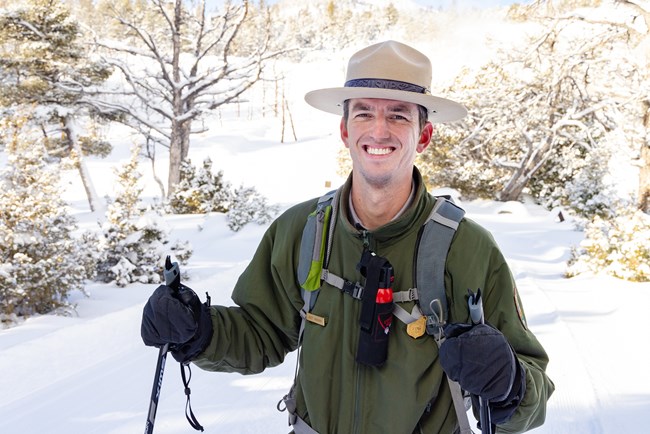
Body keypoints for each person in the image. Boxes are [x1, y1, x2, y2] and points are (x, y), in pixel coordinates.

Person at [141, 40, 554, 434]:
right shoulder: (299, 230)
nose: (379, 130)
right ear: (344, 130)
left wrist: (509, 382)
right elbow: (260, 333)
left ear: (423, 136)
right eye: (363, 113)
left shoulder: (469, 248)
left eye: (397, 114)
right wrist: (197, 329)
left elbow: (532, 395)